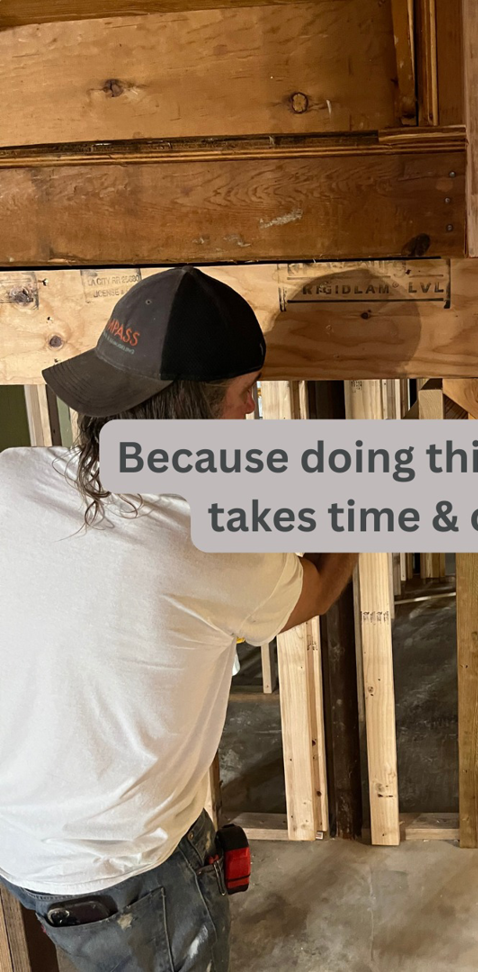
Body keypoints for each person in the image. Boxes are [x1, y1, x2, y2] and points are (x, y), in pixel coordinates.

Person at [0, 267, 357, 972]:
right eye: (244, 396)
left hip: (19, 841)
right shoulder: (210, 548)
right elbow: (313, 593)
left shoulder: (13, 475)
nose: (253, 412)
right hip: (135, 878)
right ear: (190, 416)